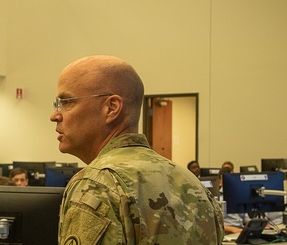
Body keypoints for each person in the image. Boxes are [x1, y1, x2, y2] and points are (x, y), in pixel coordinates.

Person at [50, 55, 224, 244]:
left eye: (67, 102)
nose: (54, 115)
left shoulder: (98, 183)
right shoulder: (192, 183)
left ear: (111, 108)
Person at [218, 167, 248, 234]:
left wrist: (257, 226)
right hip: (227, 232)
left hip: (240, 230)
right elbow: (216, 225)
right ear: (220, 181)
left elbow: (246, 220)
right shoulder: (217, 199)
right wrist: (233, 230)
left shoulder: (239, 196)